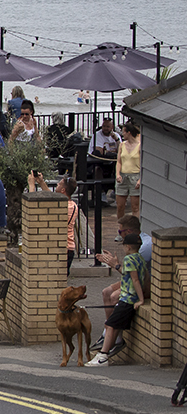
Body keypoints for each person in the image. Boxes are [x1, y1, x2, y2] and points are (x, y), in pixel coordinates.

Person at [93, 214, 152, 352]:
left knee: (114, 296)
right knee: (106, 292)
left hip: (144, 284)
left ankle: (114, 333)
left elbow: (133, 275)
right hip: (133, 279)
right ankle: (109, 332)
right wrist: (114, 262)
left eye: (120, 232)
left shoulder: (143, 247)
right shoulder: (136, 242)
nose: (118, 235)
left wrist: (116, 265)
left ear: (129, 231)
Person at [87, 233, 146, 366]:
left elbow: (135, 280)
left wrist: (140, 299)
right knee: (112, 325)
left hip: (127, 299)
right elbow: (138, 276)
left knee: (110, 325)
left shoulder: (129, 259)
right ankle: (105, 352)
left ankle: (103, 356)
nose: (123, 248)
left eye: (124, 245)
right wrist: (115, 263)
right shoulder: (140, 258)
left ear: (128, 247)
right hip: (129, 298)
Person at [28, 171, 78, 275]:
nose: (57, 185)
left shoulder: (66, 207)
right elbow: (52, 197)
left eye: (59, 184)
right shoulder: (68, 203)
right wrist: (41, 183)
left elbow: (32, 207)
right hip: (63, 248)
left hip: (64, 248)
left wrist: (31, 186)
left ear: (63, 190)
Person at [114, 122, 141, 236]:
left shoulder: (140, 145)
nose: (122, 134)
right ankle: (121, 231)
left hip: (135, 176)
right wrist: (117, 174)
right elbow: (119, 161)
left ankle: (135, 231)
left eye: (123, 132)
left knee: (135, 206)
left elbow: (144, 164)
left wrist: (140, 179)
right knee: (120, 205)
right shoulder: (122, 145)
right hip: (123, 177)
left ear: (129, 133)